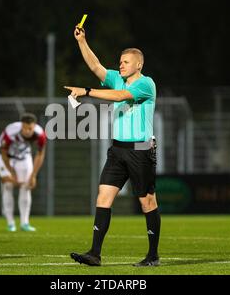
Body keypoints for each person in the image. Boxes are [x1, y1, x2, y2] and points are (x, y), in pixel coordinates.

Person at [65, 25, 160, 267]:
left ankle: (152, 256)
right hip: (118, 150)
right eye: (120, 61)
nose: (121, 65)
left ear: (138, 65)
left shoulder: (145, 84)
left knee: (147, 201)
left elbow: (119, 97)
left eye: (126, 62)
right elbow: (96, 66)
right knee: (103, 196)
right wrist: (82, 41)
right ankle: (95, 254)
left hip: (140, 149)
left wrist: (86, 91)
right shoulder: (118, 79)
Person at [0, 113, 47, 232]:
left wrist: (33, 175)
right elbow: (3, 152)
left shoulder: (40, 134)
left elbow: (40, 154)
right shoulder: (11, 132)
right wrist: (11, 172)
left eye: (30, 128)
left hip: (23, 155)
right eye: (24, 128)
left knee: (26, 185)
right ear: (21, 126)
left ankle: (25, 222)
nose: (27, 131)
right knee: (8, 184)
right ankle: (10, 223)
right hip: (5, 155)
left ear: (34, 126)